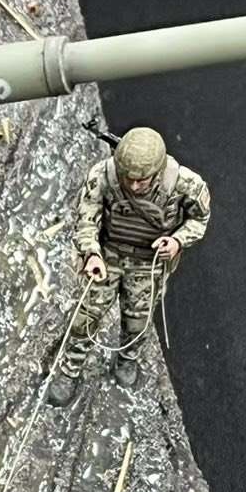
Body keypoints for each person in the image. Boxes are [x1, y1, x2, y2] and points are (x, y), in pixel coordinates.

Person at [49, 126, 211, 407]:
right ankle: (70, 368)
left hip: (148, 263)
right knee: (86, 316)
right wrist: (91, 253)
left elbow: (200, 219)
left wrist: (177, 241)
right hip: (107, 255)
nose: (134, 186)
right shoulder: (103, 175)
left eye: (141, 180)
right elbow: (86, 220)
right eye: (128, 178)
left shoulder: (185, 184)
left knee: (137, 320)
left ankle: (127, 359)